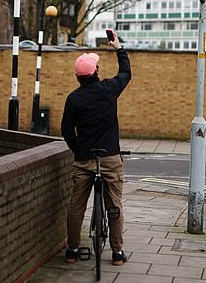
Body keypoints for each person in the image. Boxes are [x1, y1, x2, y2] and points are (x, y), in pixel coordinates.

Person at [61, 31, 131, 266]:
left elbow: (66, 131)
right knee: (115, 206)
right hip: (110, 158)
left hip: (84, 160)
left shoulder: (74, 99)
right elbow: (126, 73)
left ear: (78, 77)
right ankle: (117, 253)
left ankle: (71, 250)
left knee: (76, 205)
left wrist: (79, 149)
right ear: (96, 72)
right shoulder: (109, 90)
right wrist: (118, 47)